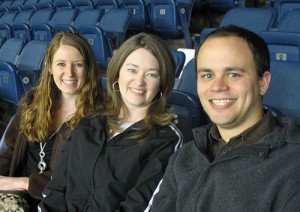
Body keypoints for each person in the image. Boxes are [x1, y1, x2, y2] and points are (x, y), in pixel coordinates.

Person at [151, 25, 300, 211]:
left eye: (233, 74)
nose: (217, 86)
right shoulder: (185, 155)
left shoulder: (292, 169)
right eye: (207, 75)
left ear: (262, 83)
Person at [38, 32, 183, 212]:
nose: (139, 81)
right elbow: (57, 188)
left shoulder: (166, 139)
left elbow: (139, 207)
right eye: (132, 70)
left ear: (162, 83)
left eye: (151, 74)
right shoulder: (90, 120)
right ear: (117, 73)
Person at [0, 31, 105, 211]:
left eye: (77, 64)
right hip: (15, 193)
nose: (69, 73)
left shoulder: (98, 117)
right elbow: (11, 150)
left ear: (88, 68)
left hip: (56, 202)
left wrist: (24, 183)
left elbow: (78, 178)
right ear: (49, 67)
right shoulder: (33, 101)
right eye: (61, 64)